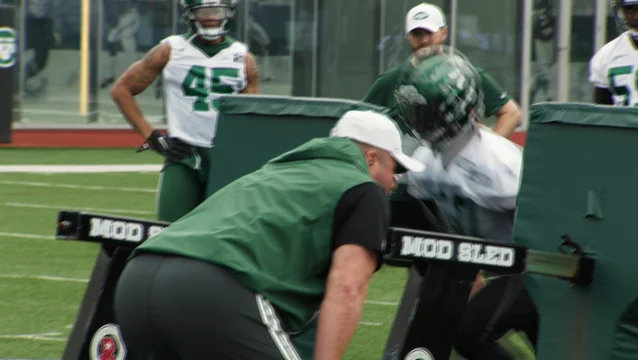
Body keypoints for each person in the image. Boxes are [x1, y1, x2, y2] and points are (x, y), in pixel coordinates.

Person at [112, 110, 425, 359]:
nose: (394, 182)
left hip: (136, 281)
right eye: (394, 169)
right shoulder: (364, 189)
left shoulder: (278, 170)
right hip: (208, 291)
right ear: (370, 159)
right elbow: (347, 289)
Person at [394, 49, 537, 359]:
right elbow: (430, 226)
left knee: (469, 332)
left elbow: (547, 218)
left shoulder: (498, 162)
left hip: (536, 271)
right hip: (505, 268)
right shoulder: (426, 160)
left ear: (455, 108)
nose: (421, 117)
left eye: (429, 109)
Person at [110, 0, 260, 222]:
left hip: (225, 155)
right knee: (169, 228)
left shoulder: (243, 57)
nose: (211, 17)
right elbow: (122, 90)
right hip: (184, 154)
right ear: (190, 15)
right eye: (204, 12)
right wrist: (151, 137)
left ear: (227, 12)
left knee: (225, 230)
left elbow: (251, 114)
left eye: (216, 11)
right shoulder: (171, 50)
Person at [363, 2, 521, 139]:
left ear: (444, 33)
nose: (424, 40)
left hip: (454, 168)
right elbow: (359, 122)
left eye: (429, 33)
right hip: (407, 170)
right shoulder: (390, 81)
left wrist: (490, 154)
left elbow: (511, 114)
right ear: (408, 37)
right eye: (417, 34)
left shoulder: (466, 74)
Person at [589, 0, 638, 106]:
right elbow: (602, 113)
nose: (637, 16)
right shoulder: (606, 55)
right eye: (630, 9)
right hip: (623, 122)